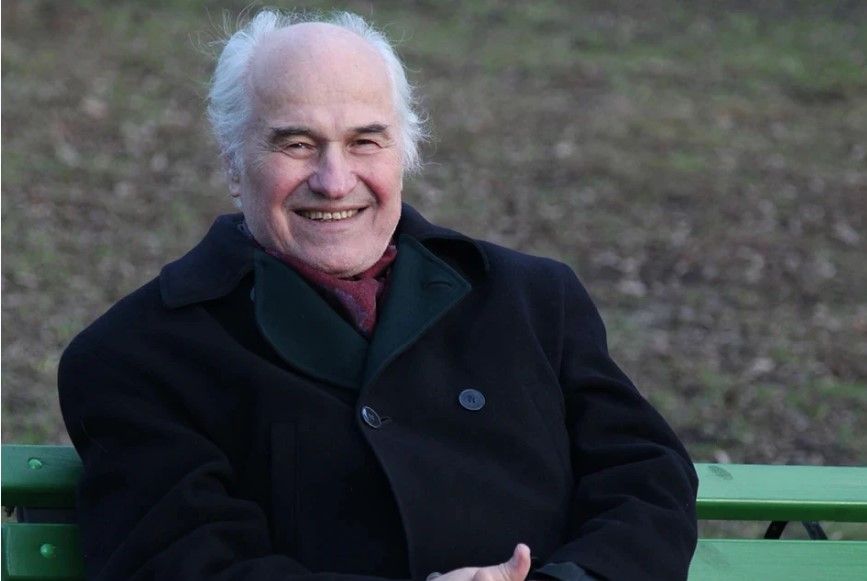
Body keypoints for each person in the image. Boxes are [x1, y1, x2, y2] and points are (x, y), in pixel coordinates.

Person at [59, 9, 698, 581]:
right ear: (233, 161)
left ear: (403, 152)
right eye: (297, 144)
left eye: (365, 141)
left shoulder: (534, 299)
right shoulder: (137, 355)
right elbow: (186, 563)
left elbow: (647, 479)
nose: (335, 181)